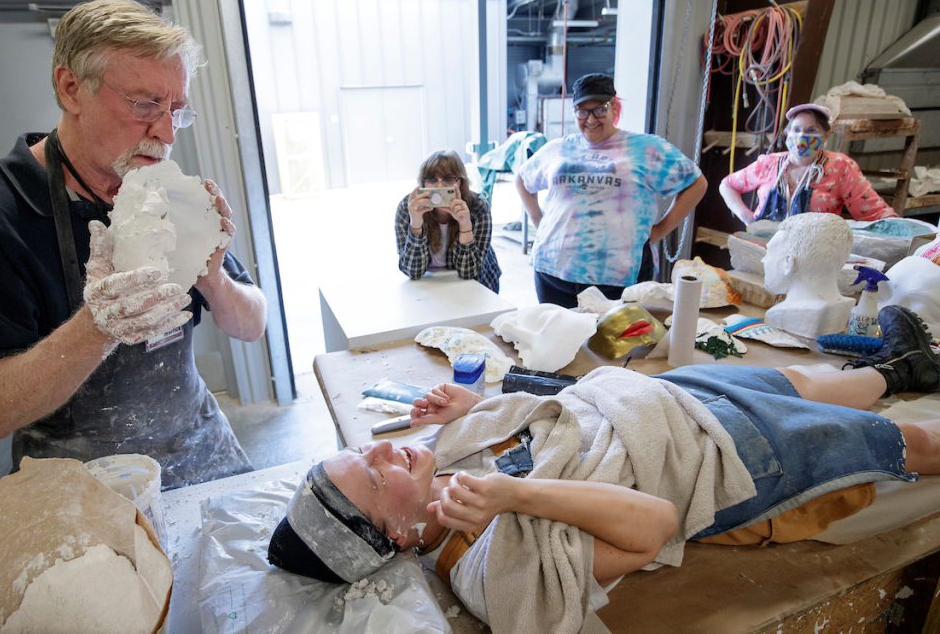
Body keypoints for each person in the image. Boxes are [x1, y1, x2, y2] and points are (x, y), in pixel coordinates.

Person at [267, 305, 940, 632]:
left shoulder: (441, 463)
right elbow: (657, 523)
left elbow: (530, 422)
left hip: (661, 400)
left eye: (364, 451)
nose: (386, 450)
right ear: (400, 537)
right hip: (722, 460)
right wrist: (512, 493)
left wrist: (479, 408)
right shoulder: (487, 569)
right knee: (904, 444)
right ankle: (903, 393)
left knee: (804, 379)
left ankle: (903, 368)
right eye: (377, 478)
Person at [0, 0, 267, 490]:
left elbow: (252, 325)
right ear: (70, 88)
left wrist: (212, 276)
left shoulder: (165, 190)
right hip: (79, 482)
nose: (166, 132)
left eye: (177, 110)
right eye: (145, 104)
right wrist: (98, 326)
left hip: (198, 451)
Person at [515, 73, 708, 308]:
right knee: (558, 339)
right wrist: (539, 220)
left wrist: (661, 230)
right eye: (582, 110)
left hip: (617, 277)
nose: (591, 119)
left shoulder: (646, 148)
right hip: (552, 272)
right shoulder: (560, 148)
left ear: (614, 107)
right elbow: (523, 179)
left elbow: (696, 183)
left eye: (599, 109)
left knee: (616, 342)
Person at [719, 103, 897, 224]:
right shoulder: (769, 163)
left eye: (811, 130)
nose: (801, 137)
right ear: (787, 134)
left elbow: (875, 213)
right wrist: (746, 216)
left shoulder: (840, 167)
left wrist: (903, 229)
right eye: (796, 130)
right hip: (763, 251)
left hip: (812, 260)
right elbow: (727, 185)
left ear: (825, 136)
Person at [395, 150, 501, 292]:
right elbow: (412, 272)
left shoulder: (477, 207)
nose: (439, 186)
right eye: (432, 179)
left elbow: (469, 273)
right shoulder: (408, 207)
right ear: (423, 183)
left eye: (448, 179)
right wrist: (415, 224)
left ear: (461, 182)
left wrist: (465, 225)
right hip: (430, 286)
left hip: (479, 284)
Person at [763, 212, 856, 338]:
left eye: (768, 253)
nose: (763, 260)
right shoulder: (847, 307)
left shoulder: (779, 314)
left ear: (788, 264)